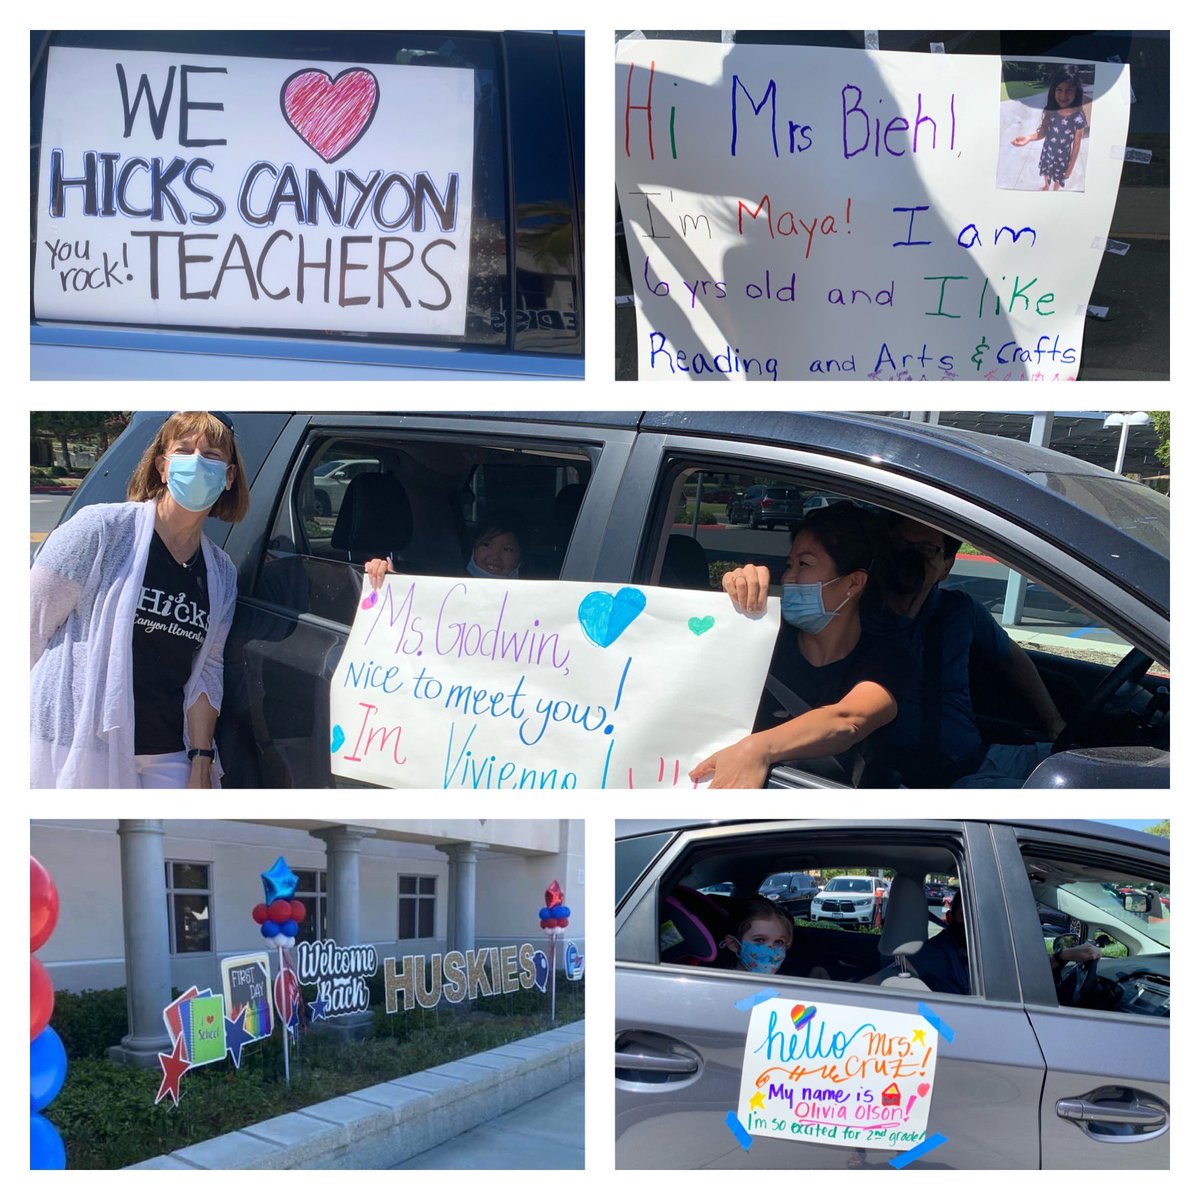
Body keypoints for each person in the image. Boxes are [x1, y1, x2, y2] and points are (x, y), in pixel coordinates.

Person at [30, 412, 248, 788]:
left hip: (166, 750)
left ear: (228, 477)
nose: (197, 462)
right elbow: (28, 627)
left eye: (211, 455)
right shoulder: (100, 531)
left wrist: (201, 762)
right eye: (184, 451)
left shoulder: (221, 573)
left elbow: (207, 671)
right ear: (162, 467)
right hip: (78, 740)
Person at [690, 503, 912, 789]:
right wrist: (735, 597)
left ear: (854, 583)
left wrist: (756, 750)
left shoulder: (888, 660)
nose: (788, 578)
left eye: (804, 564)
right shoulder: (764, 637)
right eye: (789, 565)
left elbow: (847, 720)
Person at [871, 516, 1064, 787]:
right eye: (900, 544)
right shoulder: (860, 616)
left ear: (946, 566)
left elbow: (1012, 658)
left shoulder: (959, 611)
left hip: (974, 759)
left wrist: (1054, 723)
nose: (910, 556)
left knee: (1075, 763)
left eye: (925, 549)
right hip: (908, 777)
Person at [366, 520, 522, 590]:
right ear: (473, 548)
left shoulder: (529, 600)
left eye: (507, 549)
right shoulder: (443, 585)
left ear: (520, 557)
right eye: (486, 545)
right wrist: (385, 576)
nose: (494, 556)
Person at [1011, 66, 1089, 191]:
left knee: (1058, 178)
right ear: (1053, 90)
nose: (1063, 95)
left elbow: (1076, 146)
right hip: (1047, 152)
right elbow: (1042, 132)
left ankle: (1055, 190)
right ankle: (1046, 185)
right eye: (1059, 89)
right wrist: (1028, 138)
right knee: (1046, 172)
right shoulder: (1051, 110)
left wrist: (1069, 169)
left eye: (1069, 90)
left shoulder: (1078, 118)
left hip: (1062, 158)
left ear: (1076, 91)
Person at [716, 896, 795, 975]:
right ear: (734, 944)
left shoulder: (785, 981)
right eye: (760, 940)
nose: (771, 950)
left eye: (779, 942)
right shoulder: (721, 981)